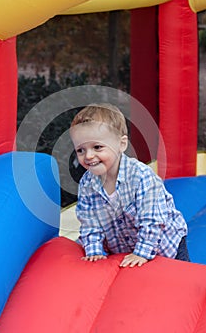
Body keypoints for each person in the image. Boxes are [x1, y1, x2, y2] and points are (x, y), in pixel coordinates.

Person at [69, 103, 189, 267]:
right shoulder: (87, 184)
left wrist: (141, 252)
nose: (88, 156)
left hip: (166, 245)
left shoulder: (141, 176)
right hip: (124, 249)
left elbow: (153, 220)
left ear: (122, 144)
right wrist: (94, 251)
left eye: (97, 147)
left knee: (180, 284)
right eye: (80, 150)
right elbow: (90, 222)